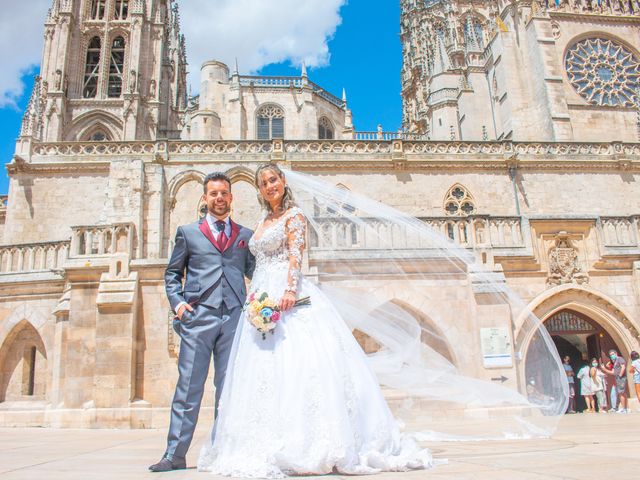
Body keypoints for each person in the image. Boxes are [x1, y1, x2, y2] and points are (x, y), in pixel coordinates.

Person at [197, 163, 433, 477]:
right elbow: (257, 262)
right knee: (265, 373)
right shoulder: (264, 220)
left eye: (273, 179)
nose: (270, 186)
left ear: (282, 181)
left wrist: (290, 290)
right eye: (264, 183)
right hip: (262, 298)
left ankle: (313, 442)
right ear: (259, 190)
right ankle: (269, 440)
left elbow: (296, 254)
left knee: (303, 366)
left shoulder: (294, 215)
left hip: (287, 296)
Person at [149, 172, 256, 472]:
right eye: (213, 193)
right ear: (205, 198)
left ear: (231, 197)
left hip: (234, 318)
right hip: (198, 317)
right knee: (188, 387)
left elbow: (254, 273)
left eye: (224, 193)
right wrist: (180, 306)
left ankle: (222, 449)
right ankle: (175, 454)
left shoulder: (244, 235)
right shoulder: (187, 232)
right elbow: (172, 274)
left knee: (229, 387)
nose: (219, 198)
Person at [600, 349, 628, 414]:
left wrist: (620, 375)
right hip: (618, 378)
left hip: (621, 378)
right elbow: (613, 372)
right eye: (610, 355)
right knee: (622, 393)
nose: (612, 356)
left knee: (621, 393)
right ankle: (625, 408)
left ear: (616, 353)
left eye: (613, 354)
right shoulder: (615, 361)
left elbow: (623, 367)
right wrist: (605, 369)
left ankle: (624, 409)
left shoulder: (619, 359)